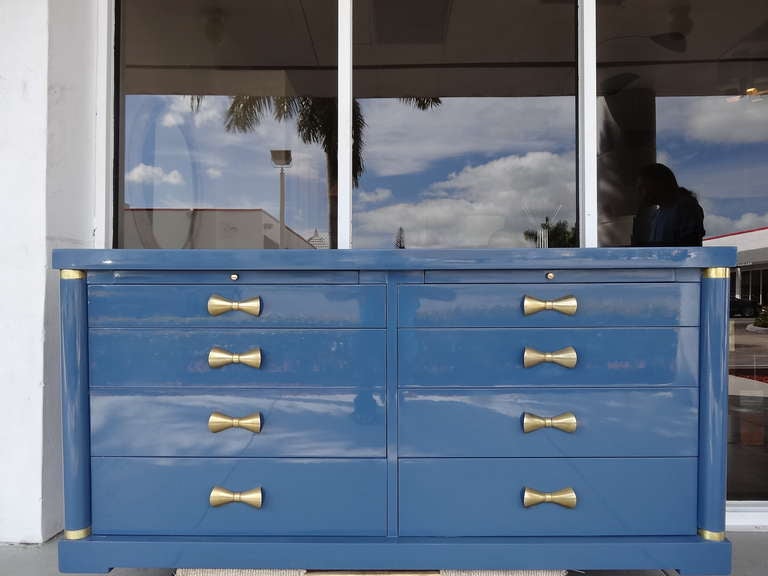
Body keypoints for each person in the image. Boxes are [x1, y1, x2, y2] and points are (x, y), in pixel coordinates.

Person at [631, 163, 705, 247]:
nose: (640, 193)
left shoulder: (686, 207)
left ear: (658, 184)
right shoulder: (658, 214)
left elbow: (688, 247)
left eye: (643, 187)